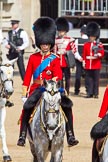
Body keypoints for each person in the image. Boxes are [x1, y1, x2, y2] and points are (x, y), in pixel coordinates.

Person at [17, 17, 79, 147]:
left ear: (50, 44)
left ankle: (70, 135)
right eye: (43, 44)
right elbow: (28, 76)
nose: (45, 46)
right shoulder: (33, 58)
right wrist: (24, 94)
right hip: (36, 88)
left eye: (47, 44)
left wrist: (51, 84)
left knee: (67, 107)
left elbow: (58, 74)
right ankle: (22, 135)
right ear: (40, 43)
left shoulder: (55, 59)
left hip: (52, 88)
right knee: (26, 108)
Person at [55, 17, 83, 96]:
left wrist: (78, 57)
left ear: (65, 31)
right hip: (58, 61)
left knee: (67, 77)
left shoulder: (70, 40)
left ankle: (66, 90)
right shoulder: (55, 40)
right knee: (59, 77)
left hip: (66, 61)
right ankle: (61, 90)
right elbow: (53, 51)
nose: (60, 33)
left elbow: (74, 51)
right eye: (59, 31)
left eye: (62, 31)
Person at [82, 22, 104, 98]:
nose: (91, 37)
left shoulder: (99, 44)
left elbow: (102, 53)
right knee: (88, 80)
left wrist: (97, 55)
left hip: (96, 64)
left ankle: (96, 93)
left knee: (96, 80)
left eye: (93, 36)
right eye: (90, 36)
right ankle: (89, 93)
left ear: (95, 36)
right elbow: (84, 54)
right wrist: (84, 62)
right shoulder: (86, 45)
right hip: (88, 64)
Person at [74, 24, 89, 95]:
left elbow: (75, 51)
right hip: (87, 60)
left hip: (79, 60)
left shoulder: (77, 40)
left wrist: (79, 58)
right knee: (88, 76)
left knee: (78, 76)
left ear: (81, 32)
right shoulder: (89, 41)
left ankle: (77, 90)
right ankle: (88, 90)